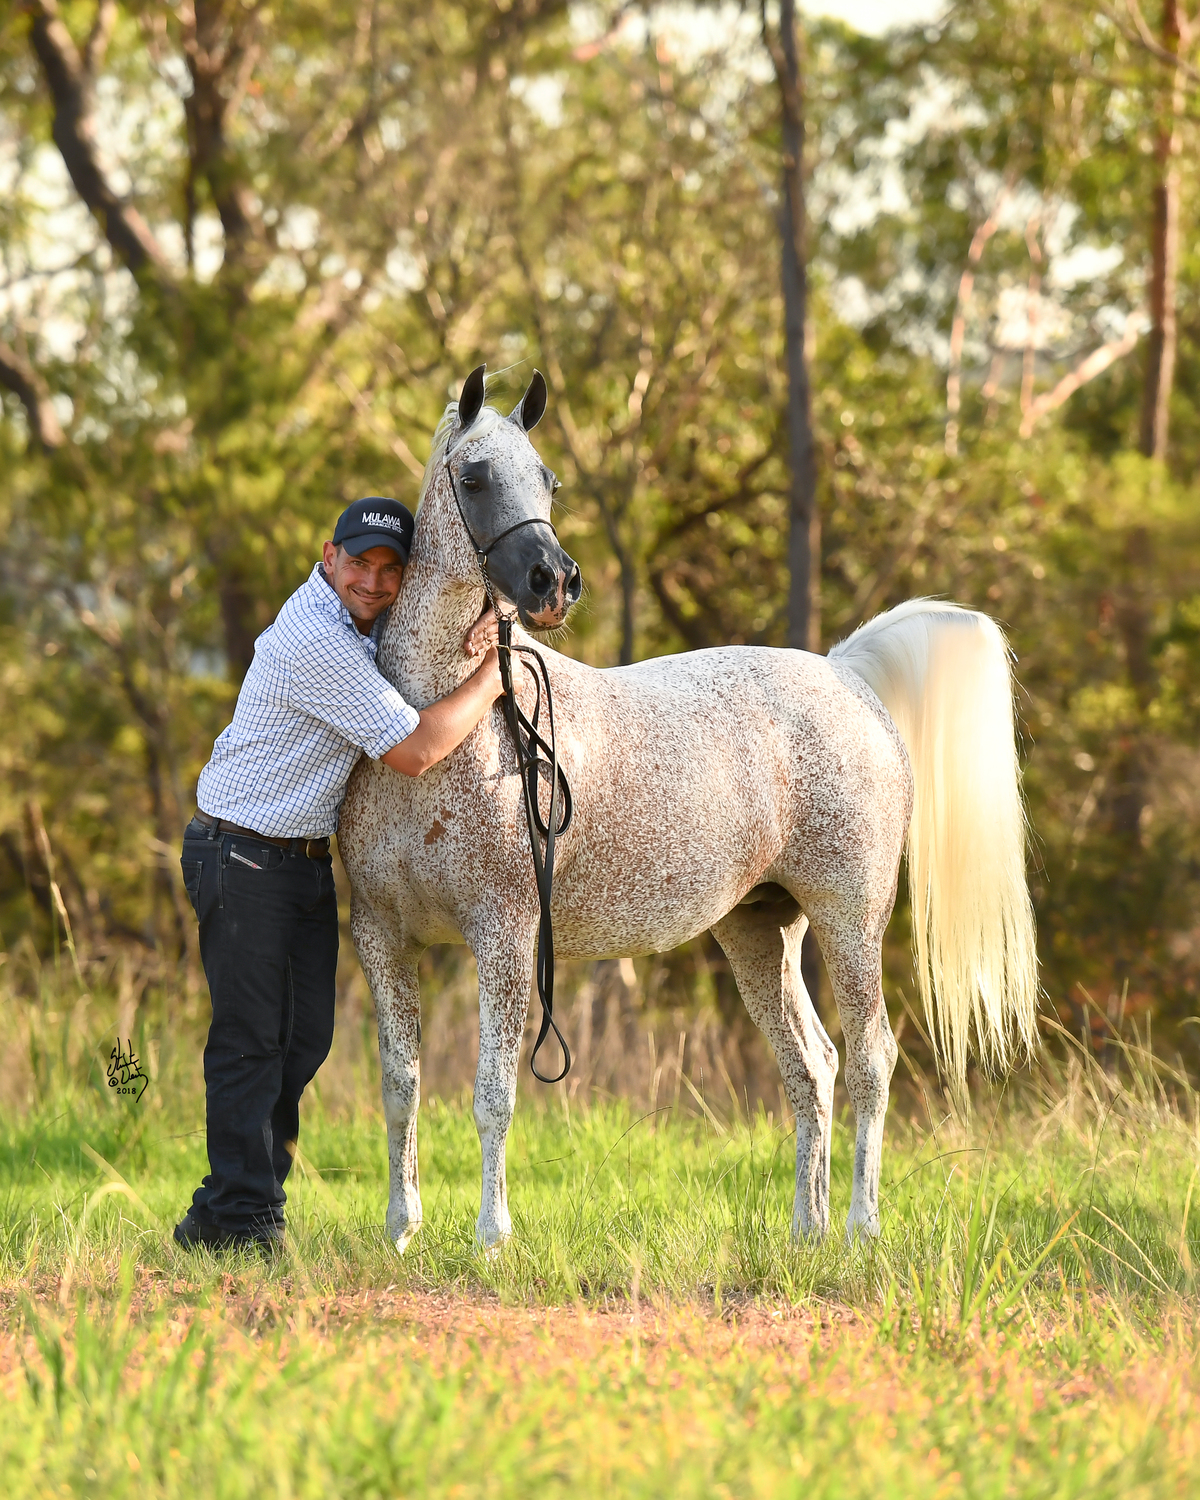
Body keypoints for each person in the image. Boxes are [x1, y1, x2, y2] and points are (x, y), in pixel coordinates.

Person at [174, 497, 503, 1254]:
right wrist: (490, 679)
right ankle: (251, 1224)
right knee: (251, 1044)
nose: (374, 581)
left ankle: (219, 1211)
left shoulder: (360, 623)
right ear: (329, 558)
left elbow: (407, 639)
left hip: (298, 863)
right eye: (359, 563)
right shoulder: (315, 636)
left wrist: (474, 625)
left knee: (304, 1041)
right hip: (243, 855)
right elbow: (417, 749)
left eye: (391, 571)